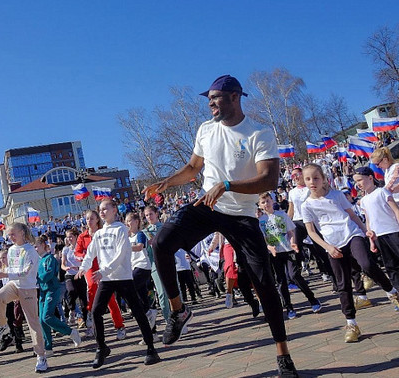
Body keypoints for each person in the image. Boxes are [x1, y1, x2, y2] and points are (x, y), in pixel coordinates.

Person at [143, 74, 298, 376]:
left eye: (216, 97)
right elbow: (192, 168)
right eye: (209, 98)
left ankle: (283, 356)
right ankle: (178, 311)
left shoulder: (259, 133)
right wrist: (166, 182)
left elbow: (269, 179)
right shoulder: (205, 129)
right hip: (208, 206)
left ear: (235, 97)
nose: (211, 103)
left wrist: (227, 185)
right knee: (161, 242)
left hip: (241, 216)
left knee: (264, 285)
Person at [301, 164, 399, 343]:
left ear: (323, 179)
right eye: (308, 179)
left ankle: (392, 291)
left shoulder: (337, 196)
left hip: (352, 234)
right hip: (332, 244)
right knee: (343, 284)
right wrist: (328, 247)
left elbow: (353, 216)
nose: (312, 182)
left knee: (366, 264)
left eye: (316, 178)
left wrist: (366, 231)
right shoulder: (307, 205)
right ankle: (351, 324)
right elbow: (311, 232)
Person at [77, 199, 161, 369]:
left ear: (114, 209)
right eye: (99, 209)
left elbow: (122, 253)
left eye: (105, 208)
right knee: (96, 312)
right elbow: (90, 253)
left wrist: (103, 270)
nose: (101, 212)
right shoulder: (99, 233)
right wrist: (83, 268)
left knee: (137, 311)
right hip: (107, 279)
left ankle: (151, 348)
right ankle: (101, 348)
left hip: (122, 277)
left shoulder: (121, 229)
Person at [0, 222, 47, 373]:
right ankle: (3, 326)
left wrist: (6, 274)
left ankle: (41, 356)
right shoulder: (11, 250)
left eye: (13, 234)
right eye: (9, 235)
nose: (11, 237)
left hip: (28, 288)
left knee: (33, 322)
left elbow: (25, 273)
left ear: (22, 232)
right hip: (14, 285)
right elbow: (12, 269)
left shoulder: (30, 251)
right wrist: (0, 272)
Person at [258, 192, 322, 319]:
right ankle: (289, 307)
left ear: (273, 201)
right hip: (274, 254)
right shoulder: (260, 221)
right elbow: (262, 239)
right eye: (263, 202)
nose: (266, 204)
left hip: (287, 250)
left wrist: (293, 243)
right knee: (281, 281)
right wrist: (269, 247)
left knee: (294, 275)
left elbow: (291, 232)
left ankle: (312, 299)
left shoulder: (282, 215)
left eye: (268, 201)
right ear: (259, 205)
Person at [75, 210, 126, 339]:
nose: (89, 221)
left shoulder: (103, 232)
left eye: (92, 218)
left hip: (104, 266)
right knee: (92, 289)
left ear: (97, 219)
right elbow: (77, 252)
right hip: (90, 267)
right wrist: (84, 256)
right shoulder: (83, 236)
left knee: (110, 298)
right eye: (87, 219)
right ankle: (92, 323)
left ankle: (119, 326)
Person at [354, 166, 399, 309]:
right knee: (391, 266)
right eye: (356, 182)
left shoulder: (382, 192)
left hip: (393, 231)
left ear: (370, 178)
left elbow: (396, 210)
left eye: (360, 180)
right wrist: (371, 240)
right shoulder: (364, 200)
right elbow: (368, 221)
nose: (358, 184)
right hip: (379, 236)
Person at [34, 234, 82, 356]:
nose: (35, 249)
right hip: (43, 292)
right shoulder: (38, 261)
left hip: (52, 290)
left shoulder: (50, 259)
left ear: (44, 245)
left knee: (47, 317)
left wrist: (35, 278)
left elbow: (48, 275)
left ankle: (71, 332)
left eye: (37, 246)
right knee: (42, 320)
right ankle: (48, 347)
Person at [125, 212, 158, 328]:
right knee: (143, 296)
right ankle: (152, 328)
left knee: (129, 288)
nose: (128, 223)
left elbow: (140, 247)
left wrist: (125, 248)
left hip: (143, 266)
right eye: (127, 221)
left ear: (136, 221)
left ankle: (148, 312)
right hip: (133, 267)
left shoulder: (140, 234)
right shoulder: (127, 238)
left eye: (130, 220)